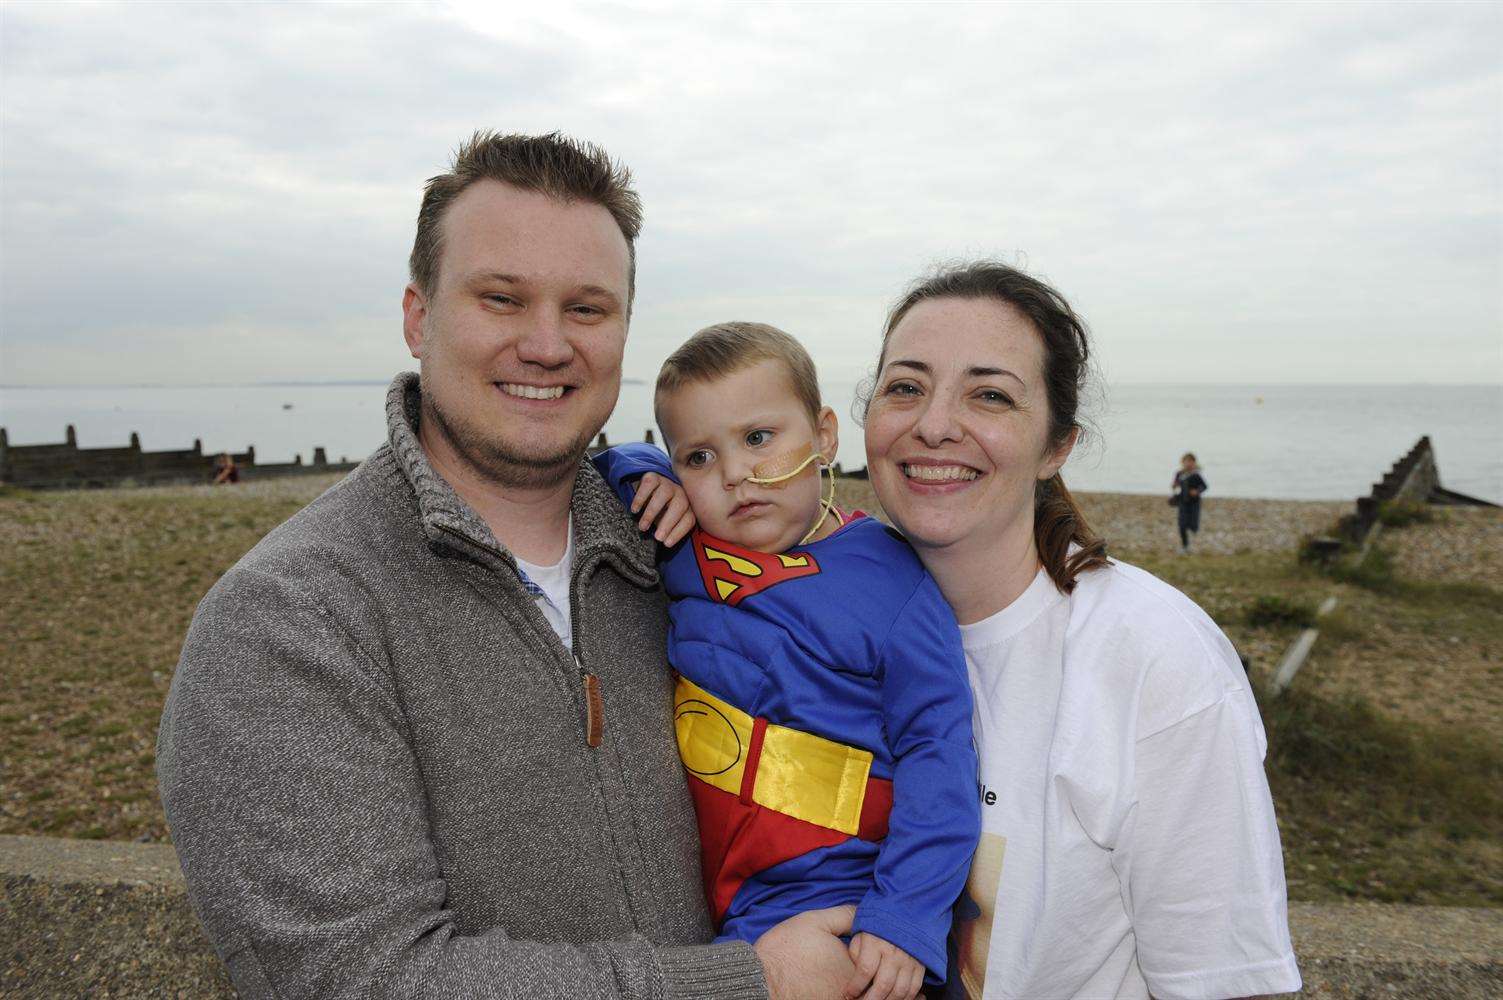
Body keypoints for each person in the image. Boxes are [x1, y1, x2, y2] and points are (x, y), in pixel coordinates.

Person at [156, 131, 855, 1000]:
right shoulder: (291, 618)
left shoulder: (679, 546)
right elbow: (355, 977)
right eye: (501, 299)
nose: (547, 344)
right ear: (418, 317)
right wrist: (745, 984)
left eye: (587, 309)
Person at [860, 262, 1300, 999]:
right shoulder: (820, 614)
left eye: (989, 394)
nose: (933, 424)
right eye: (905, 386)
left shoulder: (1153, 658)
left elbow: (1224, 982)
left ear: (1056, 445)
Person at [592, 322, 980, 1000]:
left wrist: (904, 914)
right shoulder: (684, 546)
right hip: (709, 898)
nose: (736, 474)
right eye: (698, 458)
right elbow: (602, 465)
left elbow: (937, 756)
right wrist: (638, 470)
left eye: (758, 439)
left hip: (835, 898)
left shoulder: (892, 583)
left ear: (825, 435)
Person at [1172, 452, 1207, 552]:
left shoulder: (1196, 475)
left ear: (1194, 462)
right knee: (1182, 524)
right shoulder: (1179, 474)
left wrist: (1197, 491)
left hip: (1194, 503)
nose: (1188, 464)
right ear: (1182, 462)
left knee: (1193, 524)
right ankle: (1185, 546)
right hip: (1183, 502)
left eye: (1190, 461)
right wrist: (1174, 486)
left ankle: (1194, 542)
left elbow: (1204, 486)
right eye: (1186, 461)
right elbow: (1175, 485)